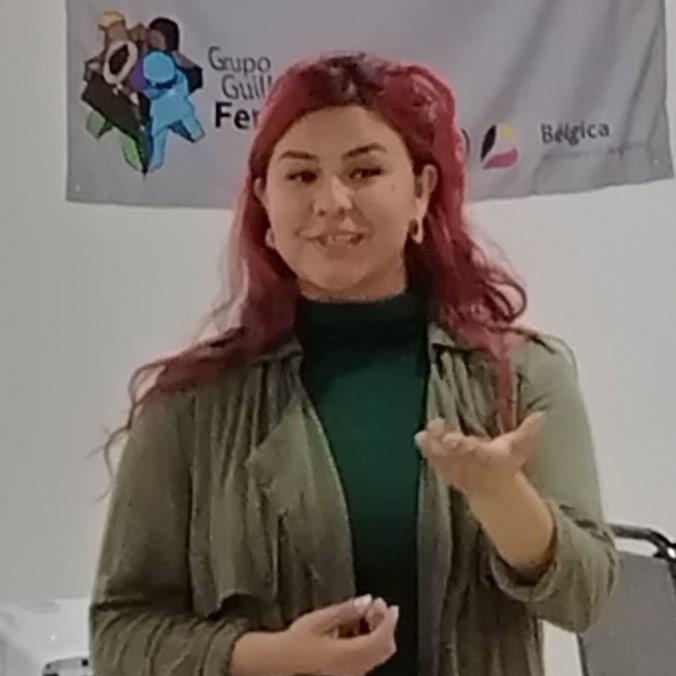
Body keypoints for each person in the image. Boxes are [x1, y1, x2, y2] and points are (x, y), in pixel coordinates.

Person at [90, 51, 619, 676]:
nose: (332, 201)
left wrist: (501, 496)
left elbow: (588, 598)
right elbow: (118, 636)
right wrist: (272, 658)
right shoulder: (189, 406)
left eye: (364, 171)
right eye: (301, 175)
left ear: (421, 191)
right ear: (264, 202)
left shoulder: (522, 374)